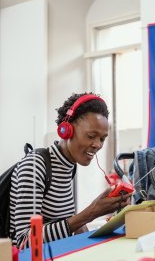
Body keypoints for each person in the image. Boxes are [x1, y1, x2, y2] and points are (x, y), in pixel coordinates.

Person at [9, 92, 130, 248]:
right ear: (66, 130)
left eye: (102, 139)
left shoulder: (68, 166)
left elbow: (68, 222)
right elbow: (25, 241)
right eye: (91, 136)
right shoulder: (35, 165)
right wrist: (90, 213)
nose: (98, 145)